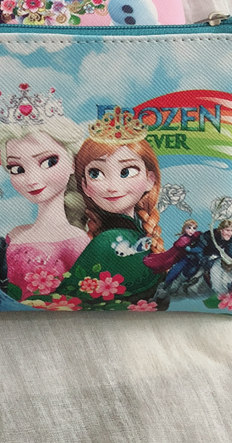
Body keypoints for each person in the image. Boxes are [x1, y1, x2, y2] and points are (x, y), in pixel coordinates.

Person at [0, 84, 90, 299]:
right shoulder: (14, 235)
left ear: (73, 163)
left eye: (49, 162)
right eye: (17, 169)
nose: (32, 180)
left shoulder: (76, 240)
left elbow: (84, 299)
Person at [61, 107, 165, 306]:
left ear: (149, 179)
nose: (112, 187)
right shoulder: (107, 241)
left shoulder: (135, 234)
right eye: (96, 174)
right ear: (85, 186)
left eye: (126, 172)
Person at [145, 219, 203, 298]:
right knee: (176, 268)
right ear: (184, 228)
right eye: (189, 228)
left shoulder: (193, 236)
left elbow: (197, 236)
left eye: (194, 228)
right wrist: (193, 249)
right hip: (175, 256)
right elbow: (186, 248)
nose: (191, 230)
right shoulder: (183, 239)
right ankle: (166, 284)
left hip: (186, 256)